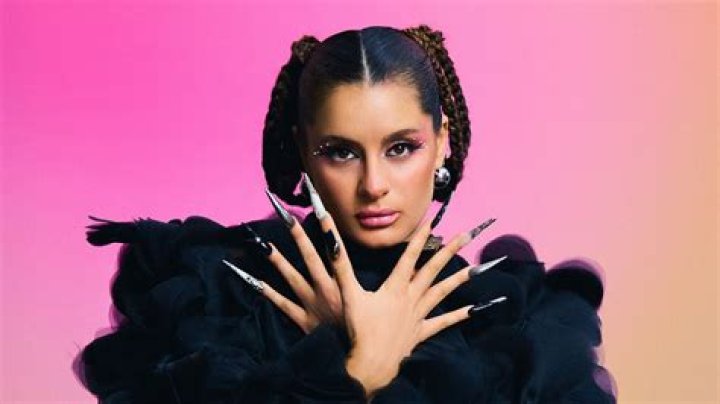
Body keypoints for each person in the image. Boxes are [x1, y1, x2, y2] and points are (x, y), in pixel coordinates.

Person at [76, 24, 617, 403]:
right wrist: (361, 368)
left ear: (441, 144)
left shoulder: (509, 325)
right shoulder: (218, 299)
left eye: (401, 148)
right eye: (341, 152)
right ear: (303, 150)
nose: (374, 185)